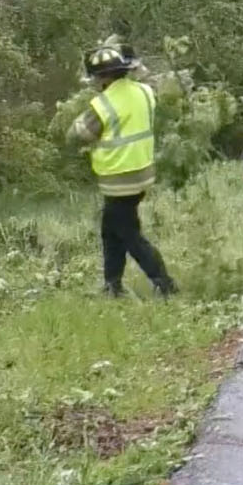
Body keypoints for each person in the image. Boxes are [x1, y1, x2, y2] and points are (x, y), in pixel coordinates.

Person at [67, 40, 177, 299]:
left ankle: (165, 283)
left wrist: (77, 120)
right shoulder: (144, 92)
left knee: (130, 235)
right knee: (110, 230)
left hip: (119, 179)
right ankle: (112, 285)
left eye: (95, 78)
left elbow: (77, 134)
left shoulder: (104, 103)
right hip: (142, 173)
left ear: (104, 77)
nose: (95, 83)